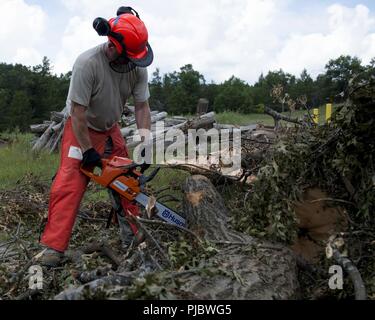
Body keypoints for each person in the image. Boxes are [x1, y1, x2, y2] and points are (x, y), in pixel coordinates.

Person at [39, 7, 153, 267]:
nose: (132, 64)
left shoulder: (136, 67)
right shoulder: (87, 63)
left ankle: (135, 238)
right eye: (129, 58)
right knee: (69, 185)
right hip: (81, 129)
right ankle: (52, 249)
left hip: (110, 129)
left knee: (129, 181)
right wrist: (89, 151)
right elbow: (77, 112)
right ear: (113, 47)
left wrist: (145, 142)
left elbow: (141, 106)